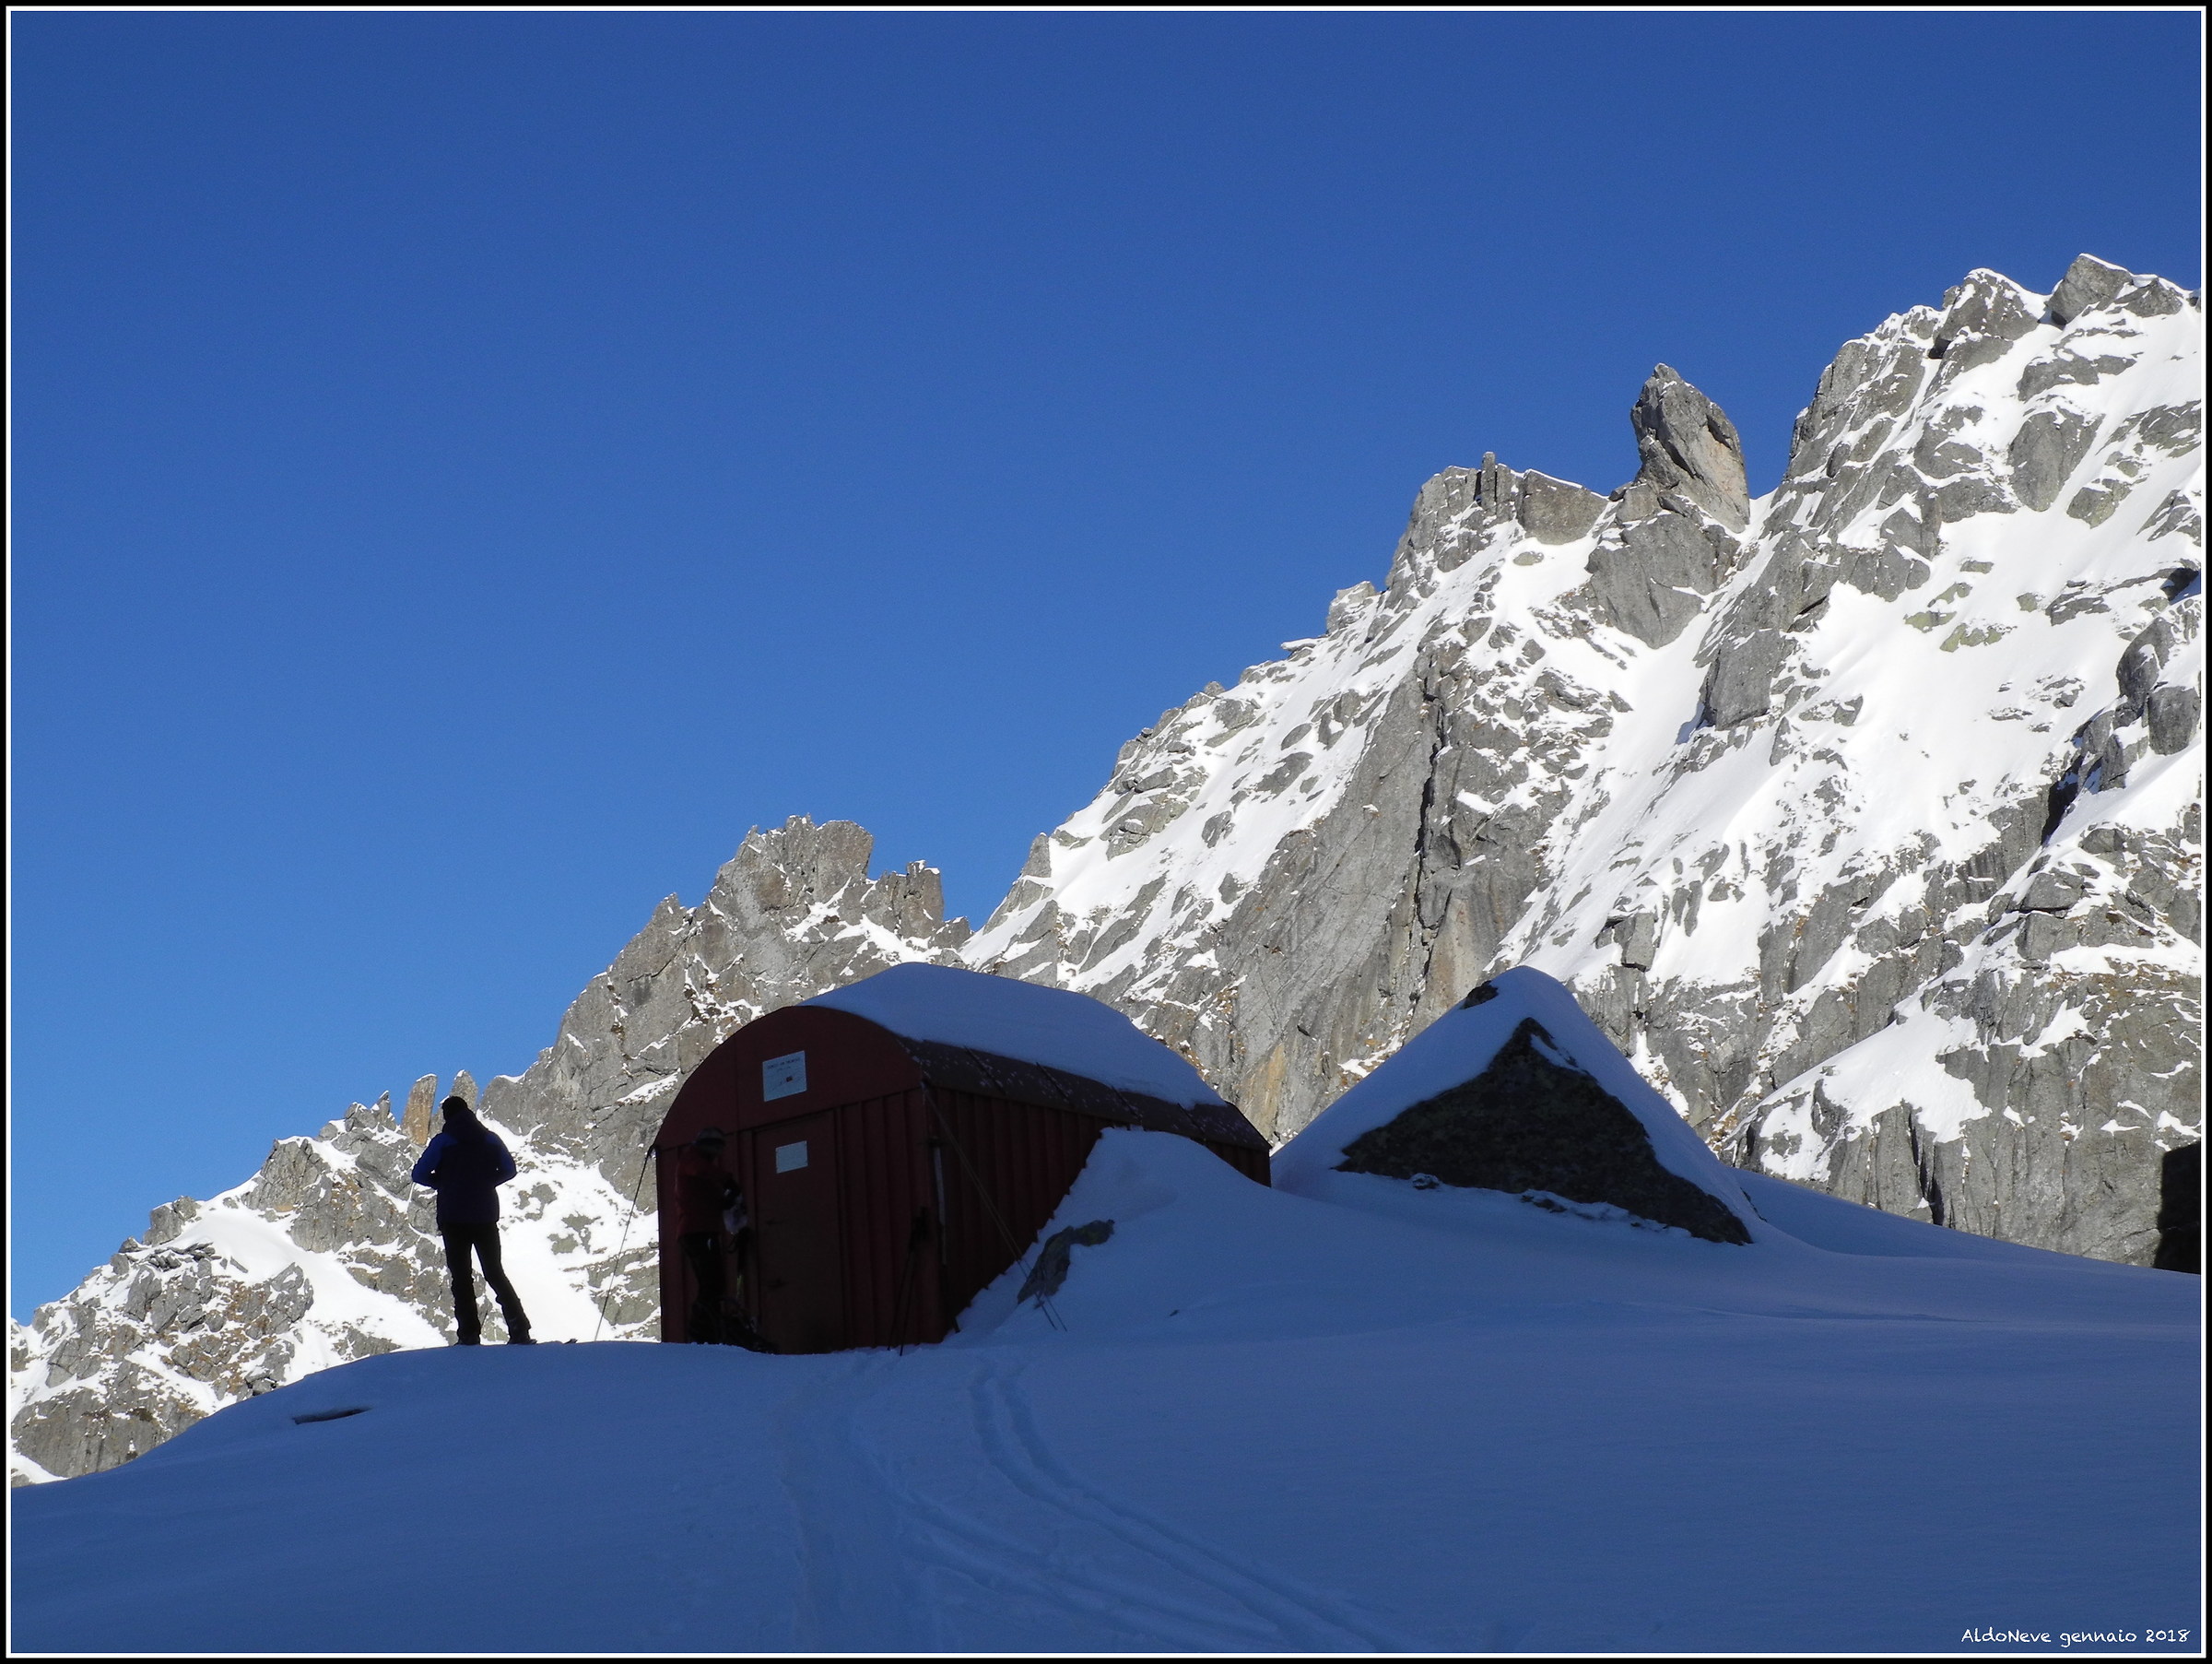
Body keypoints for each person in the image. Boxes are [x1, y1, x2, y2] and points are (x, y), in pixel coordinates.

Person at [412, 1096, 534, 1345]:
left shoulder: (443, 1141)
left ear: (446, 1116)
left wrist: (443, 1184)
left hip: (454, 1216)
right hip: (485, 1215)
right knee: (494, 1272)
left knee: (462, 1276)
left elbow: (419, 1173)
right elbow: (509, 1169)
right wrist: (487, 1183)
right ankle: (519, 1328)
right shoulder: (489, 1138)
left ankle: (469, 1334)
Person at [673, 1127, 748, 1344]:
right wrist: (728, 1182)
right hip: (697, 1231)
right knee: (712, 1282)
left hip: (699, 1230)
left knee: (713, 1282)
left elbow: (701, 1196)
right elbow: (702, 1171)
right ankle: (702, 1331)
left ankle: (707, 1329)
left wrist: (722, 1201)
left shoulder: (697, 1166)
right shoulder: (692, 1159)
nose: (718, 1154)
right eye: (716, 1149)